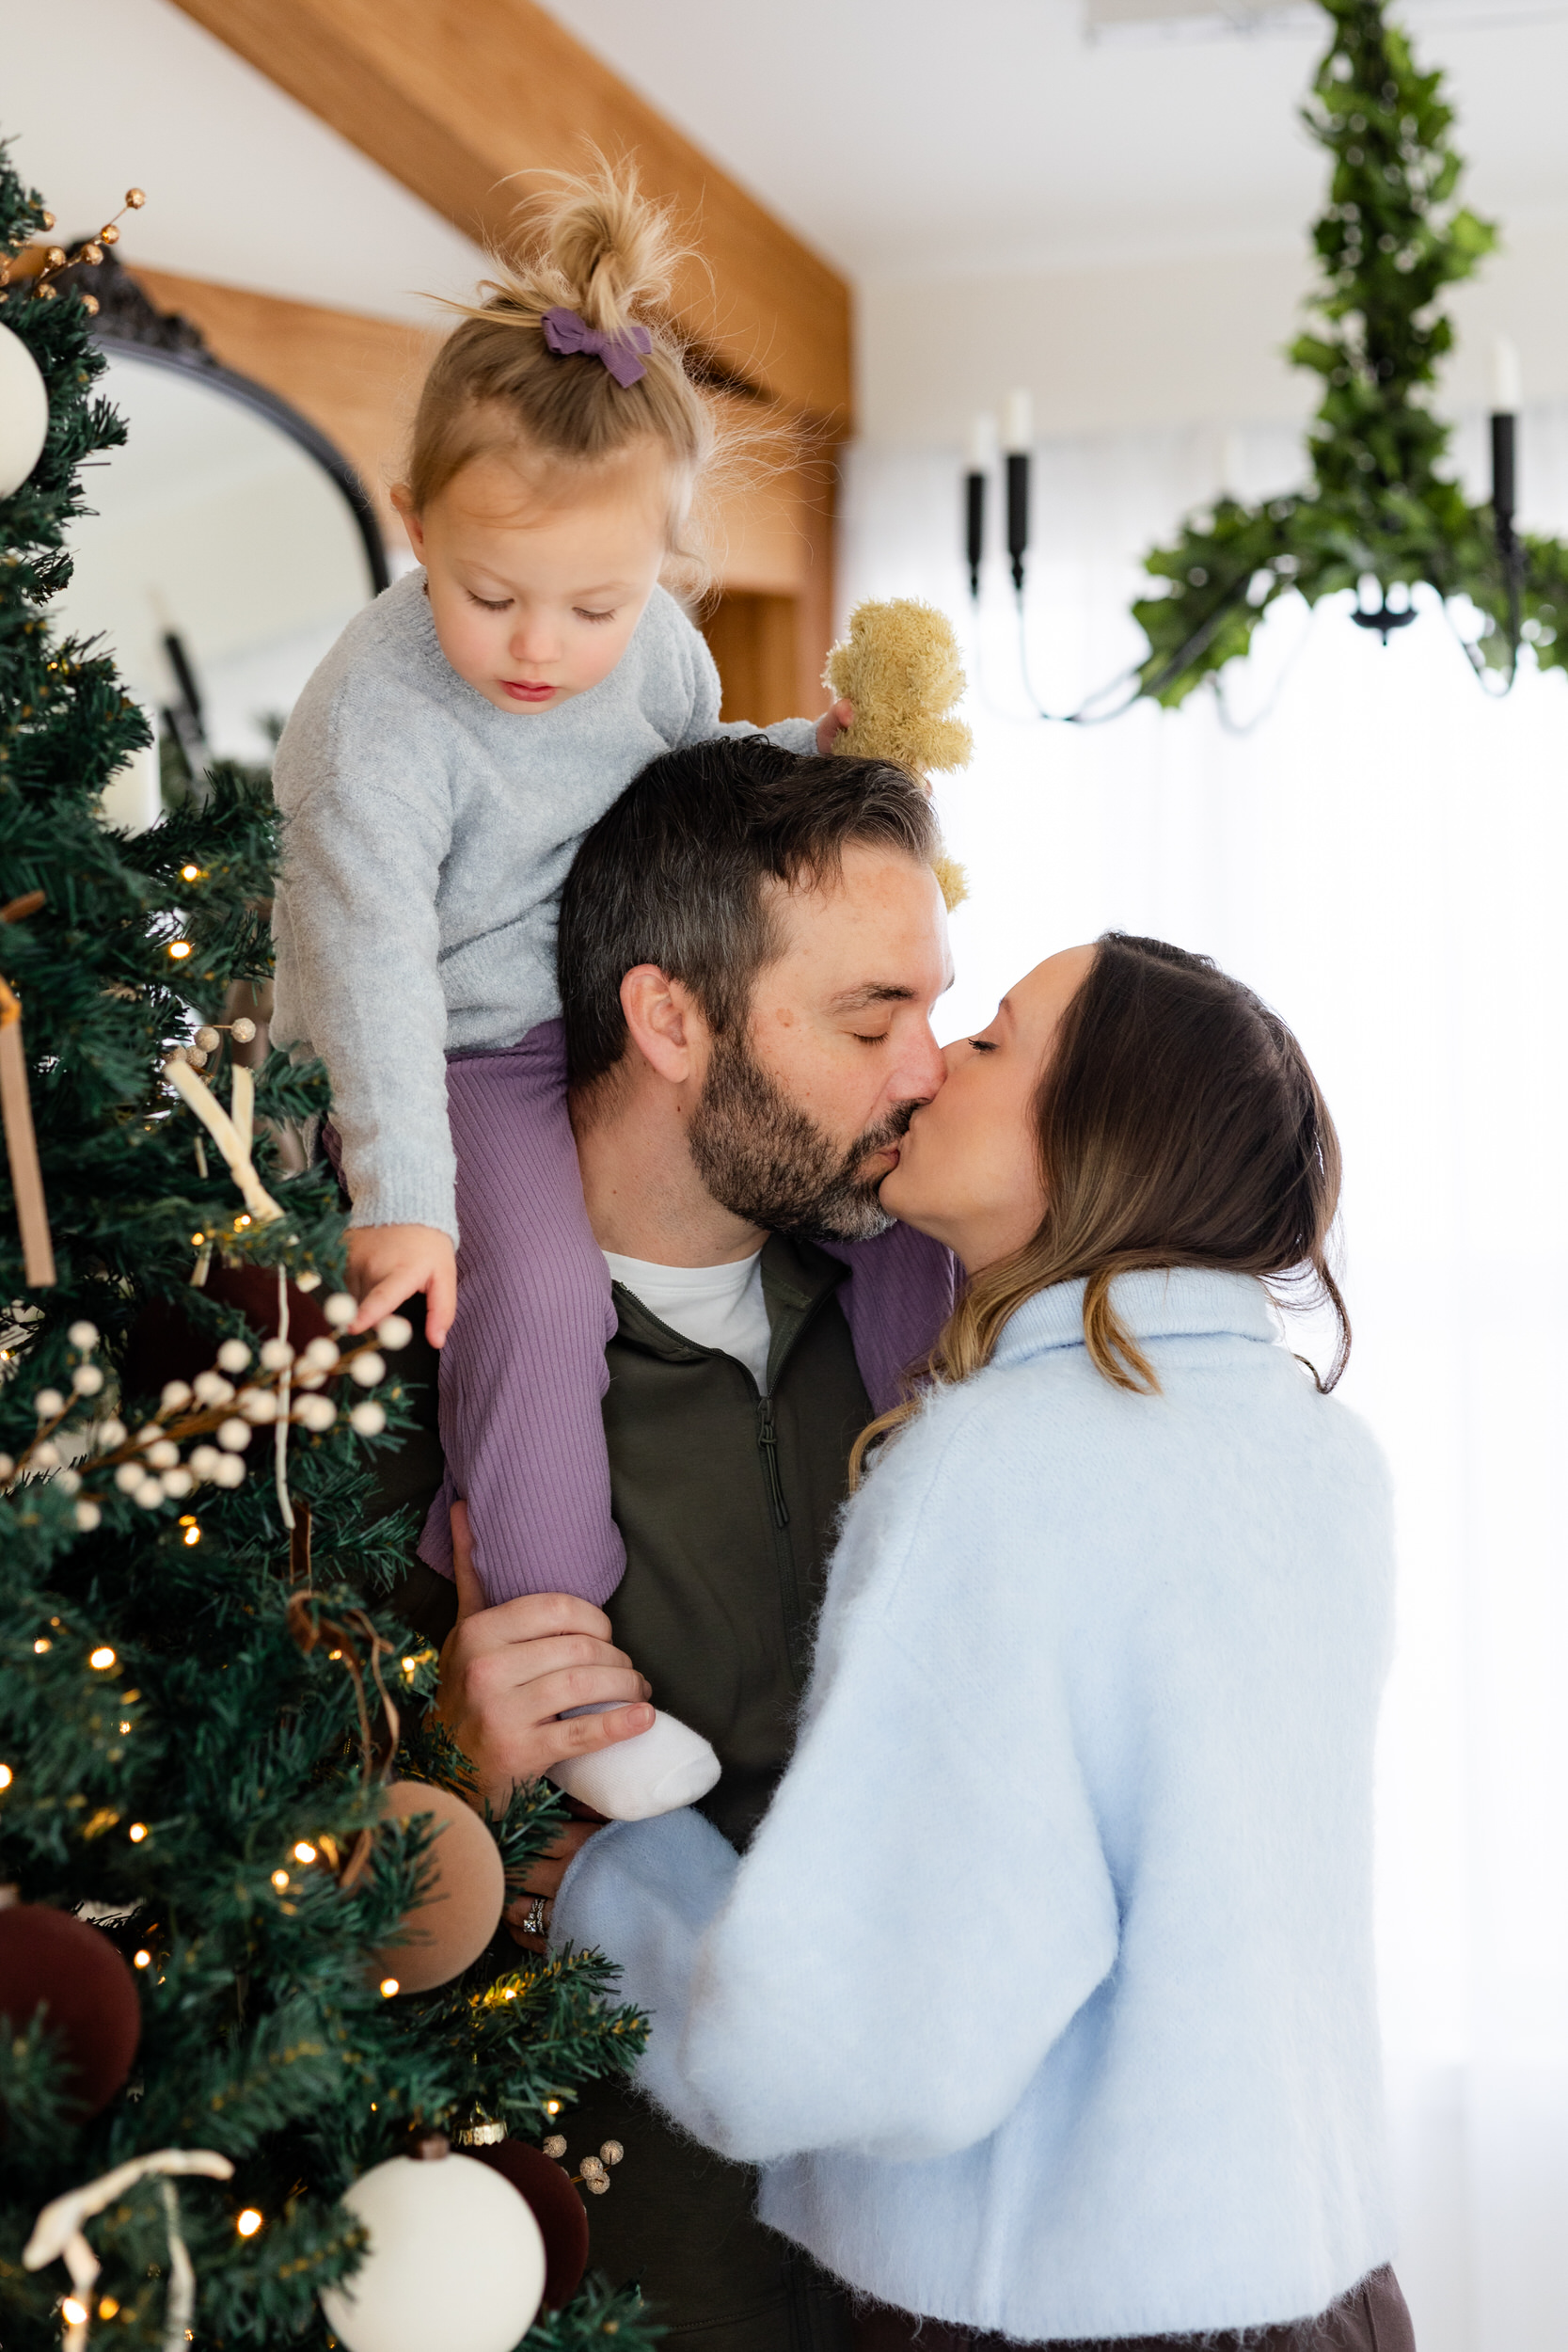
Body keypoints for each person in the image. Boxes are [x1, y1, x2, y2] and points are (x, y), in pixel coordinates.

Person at [529, 933, 1414, 2352]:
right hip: (1321, 2287)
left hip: (1055, 2311)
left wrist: (614, 1892)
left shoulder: (1003, 1469)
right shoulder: (1319, 1455)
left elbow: (857, 2038)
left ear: (1098, 1136)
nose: (931, 1066)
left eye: (993, 1040)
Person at [389, 737, 958, 2352]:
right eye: (869, 1018)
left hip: (919, 2277)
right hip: (603, 2281)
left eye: (930, 1006)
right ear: (670, 1019)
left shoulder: (925, 1311)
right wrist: (459, 1762)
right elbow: (238, 1892)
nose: (926, 1067)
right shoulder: (391, 1358)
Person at [269, 160, 852, 1610]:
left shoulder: (652, 645)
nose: (541, 647)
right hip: (458, 1042)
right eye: (491, 597)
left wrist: (806, 751)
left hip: (615, 994)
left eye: (593, 604)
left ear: (657, 566)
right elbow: (372, 968)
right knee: (540, 1299)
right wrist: (403, 1193)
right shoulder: (375, 727)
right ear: (415, 523)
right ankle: (552, 1628)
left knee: (865, 1194)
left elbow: (685, 779)